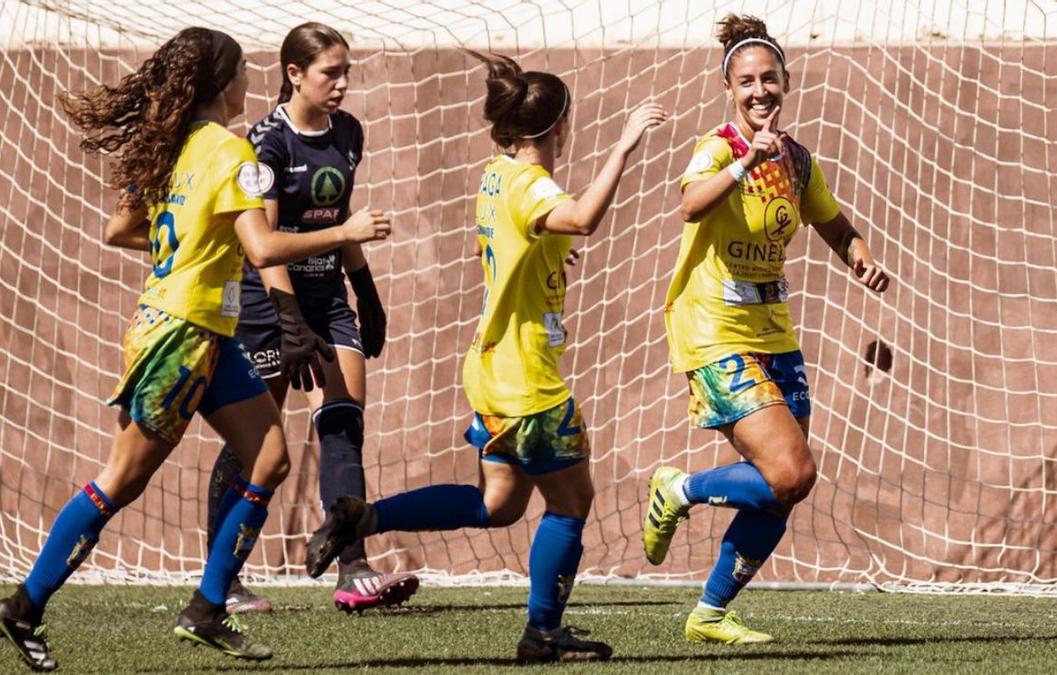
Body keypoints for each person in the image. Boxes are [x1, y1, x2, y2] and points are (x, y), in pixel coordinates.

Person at [0, 27, 390, 671]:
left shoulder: (173, 144)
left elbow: (122, 228)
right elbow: (264, 248)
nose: (246, 82)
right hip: (179, 335)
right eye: (240, 72)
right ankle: (24, 606)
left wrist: (189, 249)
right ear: (221, 83)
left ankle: (207, 608)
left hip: (208, 330)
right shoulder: (233, 148)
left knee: (268, 458)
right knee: (121, 479)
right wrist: (344, 232)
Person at [302, 50, 664, 662]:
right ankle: (543, 632)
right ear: (559, 126)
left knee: (497, 504)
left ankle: (364, 518)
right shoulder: (534, 184)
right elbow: (580, 218)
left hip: (490, 369)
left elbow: (509, 242)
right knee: (572, 503)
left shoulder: (496, 174)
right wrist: (624, 146)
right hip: (527, 379)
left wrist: (546, 254)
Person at [642, 13, 890, 644]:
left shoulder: (799, 162)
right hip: (713, 331)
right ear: (730, 89)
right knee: (791, 472)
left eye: (769, 79)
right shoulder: (721, 146)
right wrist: (742, 163)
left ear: (786, 82)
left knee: (785, 489)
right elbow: (690, 204)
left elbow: (834, 225)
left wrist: (859, 257)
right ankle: (681, 488)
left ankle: (711, 613)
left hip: (775, 334)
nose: (759, 91)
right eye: (747, 81)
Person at [205, 21, 417, 616]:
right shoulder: (264, 143)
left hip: (327, 294)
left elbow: (341, 217)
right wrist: (288, 317)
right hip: (269, 301)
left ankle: (352, 565)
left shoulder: (349, 133)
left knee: (345, 416)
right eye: (331, 72)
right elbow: (263, 243)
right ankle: (224, 577)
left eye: (347, 71)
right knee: (257, 442)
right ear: (294, 74)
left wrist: (365, 288)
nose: (343, 83)